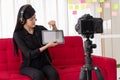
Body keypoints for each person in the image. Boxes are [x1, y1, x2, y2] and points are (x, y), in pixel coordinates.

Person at [13, 4, 59, 80]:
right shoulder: (18, 34)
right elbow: (28, 54)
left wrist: (54, 27)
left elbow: (55, 39)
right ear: (22, 20)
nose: (34, 21)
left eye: (35, 18)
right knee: (38, 75)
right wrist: (46, 46)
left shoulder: (40, 29)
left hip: (43, 63)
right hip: (28, 65)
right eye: (31, 19)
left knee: (54, 74)